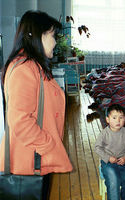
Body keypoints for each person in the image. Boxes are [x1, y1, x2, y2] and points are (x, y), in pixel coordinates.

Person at [0, 10, 73, 199]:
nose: (55, 42)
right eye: (51, 35)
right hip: (28, 162)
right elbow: (20, 121)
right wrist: (49, 145)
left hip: (36, 158)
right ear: (35, 35)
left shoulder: (33, 65)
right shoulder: (24, 68)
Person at [94, 104, 125, 200]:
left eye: (121, 118)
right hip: (108, 163)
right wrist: (108, 158)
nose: (118, 120)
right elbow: (97, 147)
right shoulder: (104, 133)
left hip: (123, 162)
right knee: (114, 181)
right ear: (107, 119)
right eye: (114, 117)